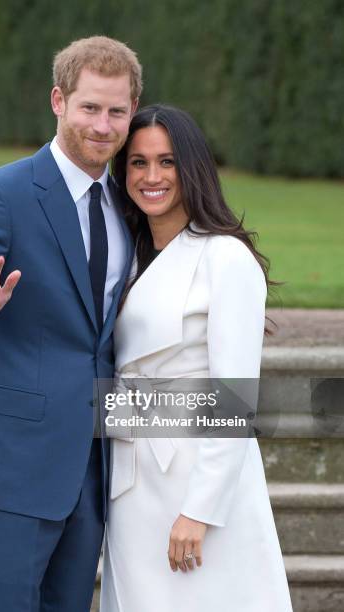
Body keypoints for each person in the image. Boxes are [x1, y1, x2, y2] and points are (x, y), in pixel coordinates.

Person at [0, 36, 141, 612]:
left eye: (117, 111)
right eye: (90, 106)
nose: (103, 124)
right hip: (14, 463)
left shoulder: (128, 205)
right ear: (58, 101)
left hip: (94, 468)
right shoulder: (2, 192)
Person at [100, 105, 293, 611]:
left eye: (167, 162)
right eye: (137, 163)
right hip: (132, 477)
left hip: (196, 482)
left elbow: (235, 397)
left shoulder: (224, 258)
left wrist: (200, 510)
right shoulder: (128, 257)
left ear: (192, 169)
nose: (152, 177)